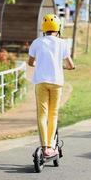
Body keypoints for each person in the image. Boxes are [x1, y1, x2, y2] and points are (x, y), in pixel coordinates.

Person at [28, 14, 75, 157]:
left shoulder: (37, 42)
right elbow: (70, 65)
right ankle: (51, 146)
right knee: (53, 114)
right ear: (58, 29)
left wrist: (37, 64)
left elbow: (30, 62)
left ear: (44, 28)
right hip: (56, 83)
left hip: (41, 82)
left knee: (42, 115)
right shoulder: (62, 43)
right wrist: (67, 67)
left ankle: (45, 148)